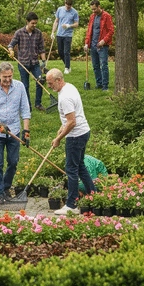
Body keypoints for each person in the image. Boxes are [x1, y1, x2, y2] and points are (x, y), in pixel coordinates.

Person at [46, 68, 96, 215]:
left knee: (71, 169)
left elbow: (72, 122)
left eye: (50, 83)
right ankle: (94, 195)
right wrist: (62, 127)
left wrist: (58, 139)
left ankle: (71, 205)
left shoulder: (65, 97)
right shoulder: (70, 87)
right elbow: (72, 117)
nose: (49, 86)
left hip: (75, 136)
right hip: (84, 131)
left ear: (58, 80)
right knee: (80, 166)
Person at [0, 62, 31, 206]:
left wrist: (26, 131)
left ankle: (6, 188)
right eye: (5, 77)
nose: (8, 79)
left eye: (10, 76)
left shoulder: (19, 87)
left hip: (14, 132)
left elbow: (25, 109)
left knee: (13, 162)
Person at [8, 12, 47, 112]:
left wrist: (43, 62)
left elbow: (42, 49)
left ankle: (38, 104)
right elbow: (11, 45)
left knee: (40, 82)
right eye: (32, 23)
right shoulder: (19, 33)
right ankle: (27, 106)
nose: (34, 25)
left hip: (35, 63)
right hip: (23, 63)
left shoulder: (38, 33)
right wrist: (11, 51)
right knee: (25, 86)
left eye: (35, 23)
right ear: (27, 22)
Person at [84, 0, 115, 91]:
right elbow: (89, 31)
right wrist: (86, 43)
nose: (93, 11)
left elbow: (111, 31)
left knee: (103, 65)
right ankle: (99, 83)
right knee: (95, 66)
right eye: (92, 10)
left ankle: (105, 86)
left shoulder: (106, 16)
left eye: (94, 9)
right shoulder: (92, 17)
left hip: (102, 46)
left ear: (99, 6)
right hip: (93, 45)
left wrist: (104, 41)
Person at [51, 0, 79, 74]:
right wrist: (52, 32)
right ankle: (68, 65)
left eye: (69, 6)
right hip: (59, 34)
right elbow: (56, 21)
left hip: (68, 35)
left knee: (66, 52)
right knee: (60, 52)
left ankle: (66, 68)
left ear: (71, 5)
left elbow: (76, 24)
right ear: (65, 3)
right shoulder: (60, 9)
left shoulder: (74, 12)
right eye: (67, 5)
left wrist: (69, 25)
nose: (68, 7)